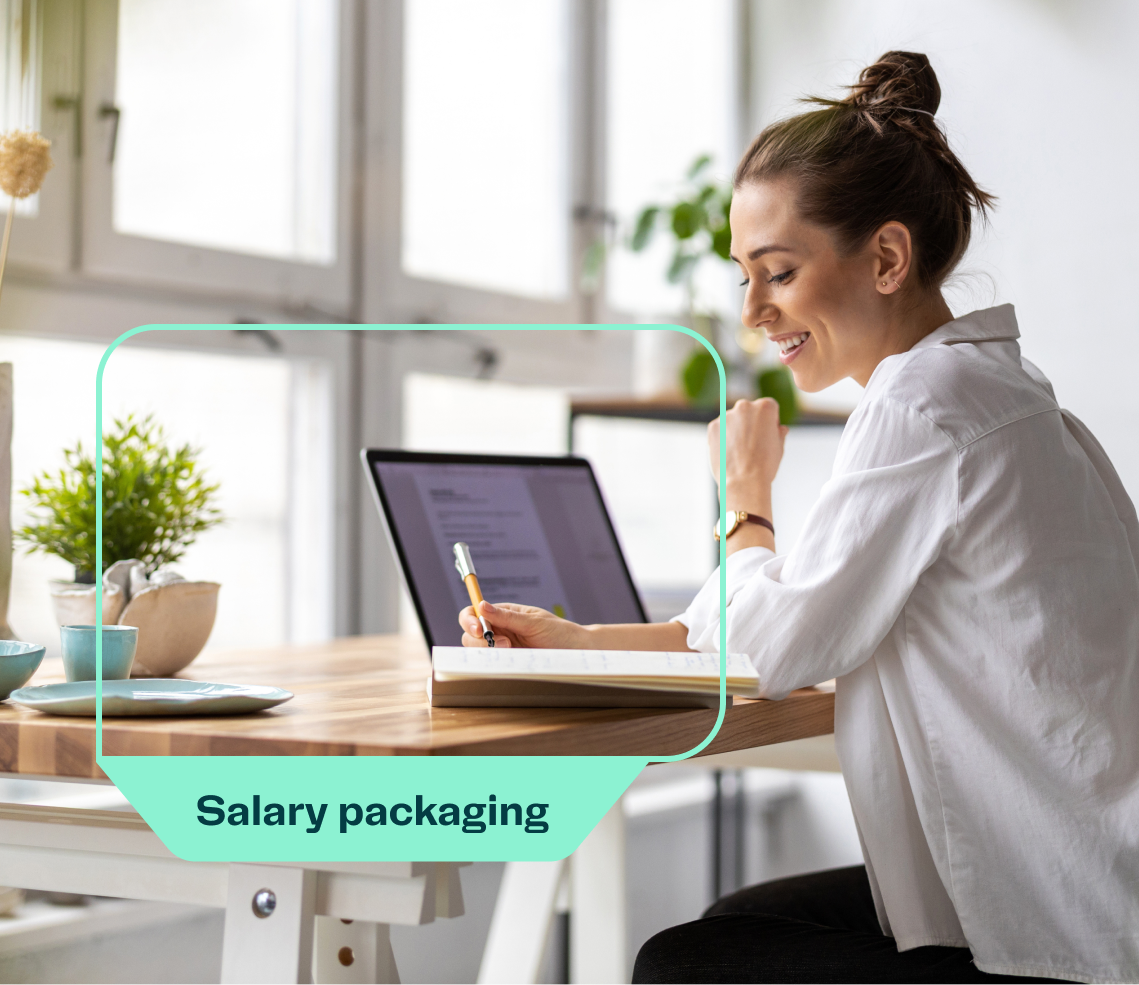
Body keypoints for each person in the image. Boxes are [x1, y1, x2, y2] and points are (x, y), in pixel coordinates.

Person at [459, 51, 1138, 984]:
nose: (751, 312)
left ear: (887, 257)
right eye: (743, 276)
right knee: (740, 921)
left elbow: (764, 647)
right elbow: (776, 613)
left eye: (775, 272)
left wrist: (744, 496)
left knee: (680, 963)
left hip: (1060, 932)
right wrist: (578, 640)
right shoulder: (999, 392)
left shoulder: (921, 408)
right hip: (1094, 880)